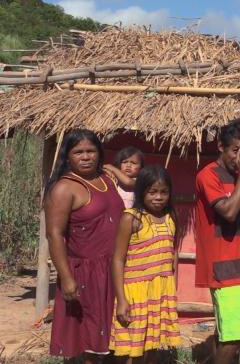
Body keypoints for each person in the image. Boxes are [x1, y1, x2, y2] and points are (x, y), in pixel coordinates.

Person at [44, 129, 124, 362]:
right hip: (86, 273)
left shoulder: (106, 180)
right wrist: (67, 278)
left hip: (113, 268)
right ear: (67, 156)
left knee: (109, 336)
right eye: (78, 152)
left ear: (100, 153)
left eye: (91, 151)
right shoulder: (64, 188)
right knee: (89, 338)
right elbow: (55, 235)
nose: (86, 157)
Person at [194, 119, 240, 364]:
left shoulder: (234, 176)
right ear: (220, 146)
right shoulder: (208, 175)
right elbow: (229, 212)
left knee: (230, 333)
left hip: (237, 263)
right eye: (235, 151)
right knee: (234, 337)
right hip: (221, 265)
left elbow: (239, 222)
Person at [111, 164, 181, 361]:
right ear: (141, 192)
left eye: (163, 192)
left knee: (152, 344)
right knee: (131, 348)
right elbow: (117, 259)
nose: (158, 197)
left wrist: (171, 288)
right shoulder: (131, 219)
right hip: (135, 293)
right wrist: (122, 300)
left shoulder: (170, 218)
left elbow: (171, 254)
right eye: (152, 192)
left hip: (159, 291)